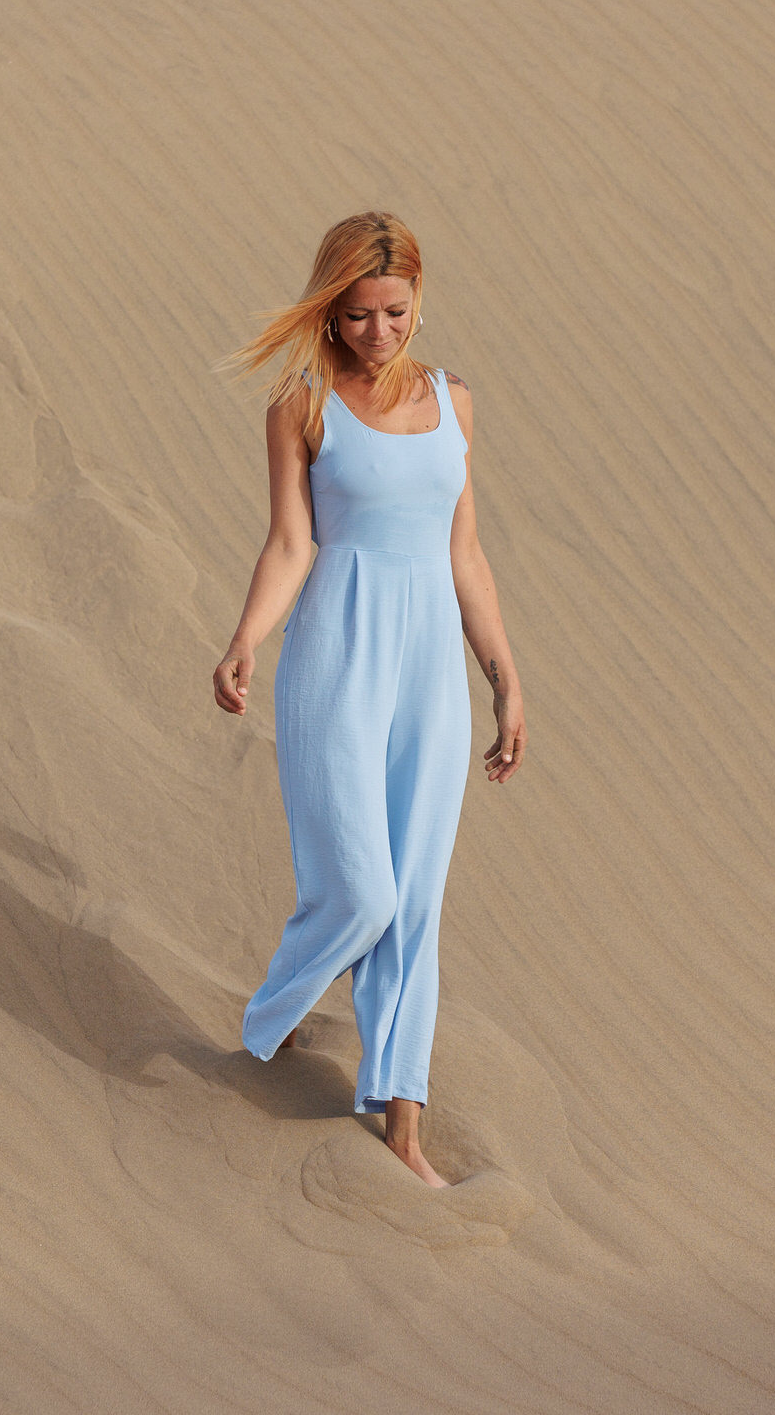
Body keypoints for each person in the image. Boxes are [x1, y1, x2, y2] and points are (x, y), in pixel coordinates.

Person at [211, 211, 526, 1188]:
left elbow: (464, 552)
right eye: (354, 316)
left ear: (417, 302)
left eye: (393, 312)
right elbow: (291, 545)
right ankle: (271, 1020)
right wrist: (245, 638)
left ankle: (402, 1123)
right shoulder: (302, 406)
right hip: (336, 663)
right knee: (362, 890)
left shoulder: (455, 404)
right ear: (329, 311)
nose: (376, 333)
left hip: (430, 672)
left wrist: (504, 677)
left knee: (416, 902)